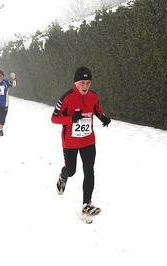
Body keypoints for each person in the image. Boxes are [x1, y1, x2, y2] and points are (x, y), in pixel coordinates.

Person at [51, 66, 111, 216]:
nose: (85, 86)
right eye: (82, 82)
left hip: (88, 140)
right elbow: (54, 118)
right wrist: (71, 119)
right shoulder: (67, 97)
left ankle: (87, 203)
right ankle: (63, 176)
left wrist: (103, 117)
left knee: (89, 171)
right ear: (76, 83)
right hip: (70, 142)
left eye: (88, 82)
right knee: (71, 171)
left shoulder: (93, 96)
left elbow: (96, 107)